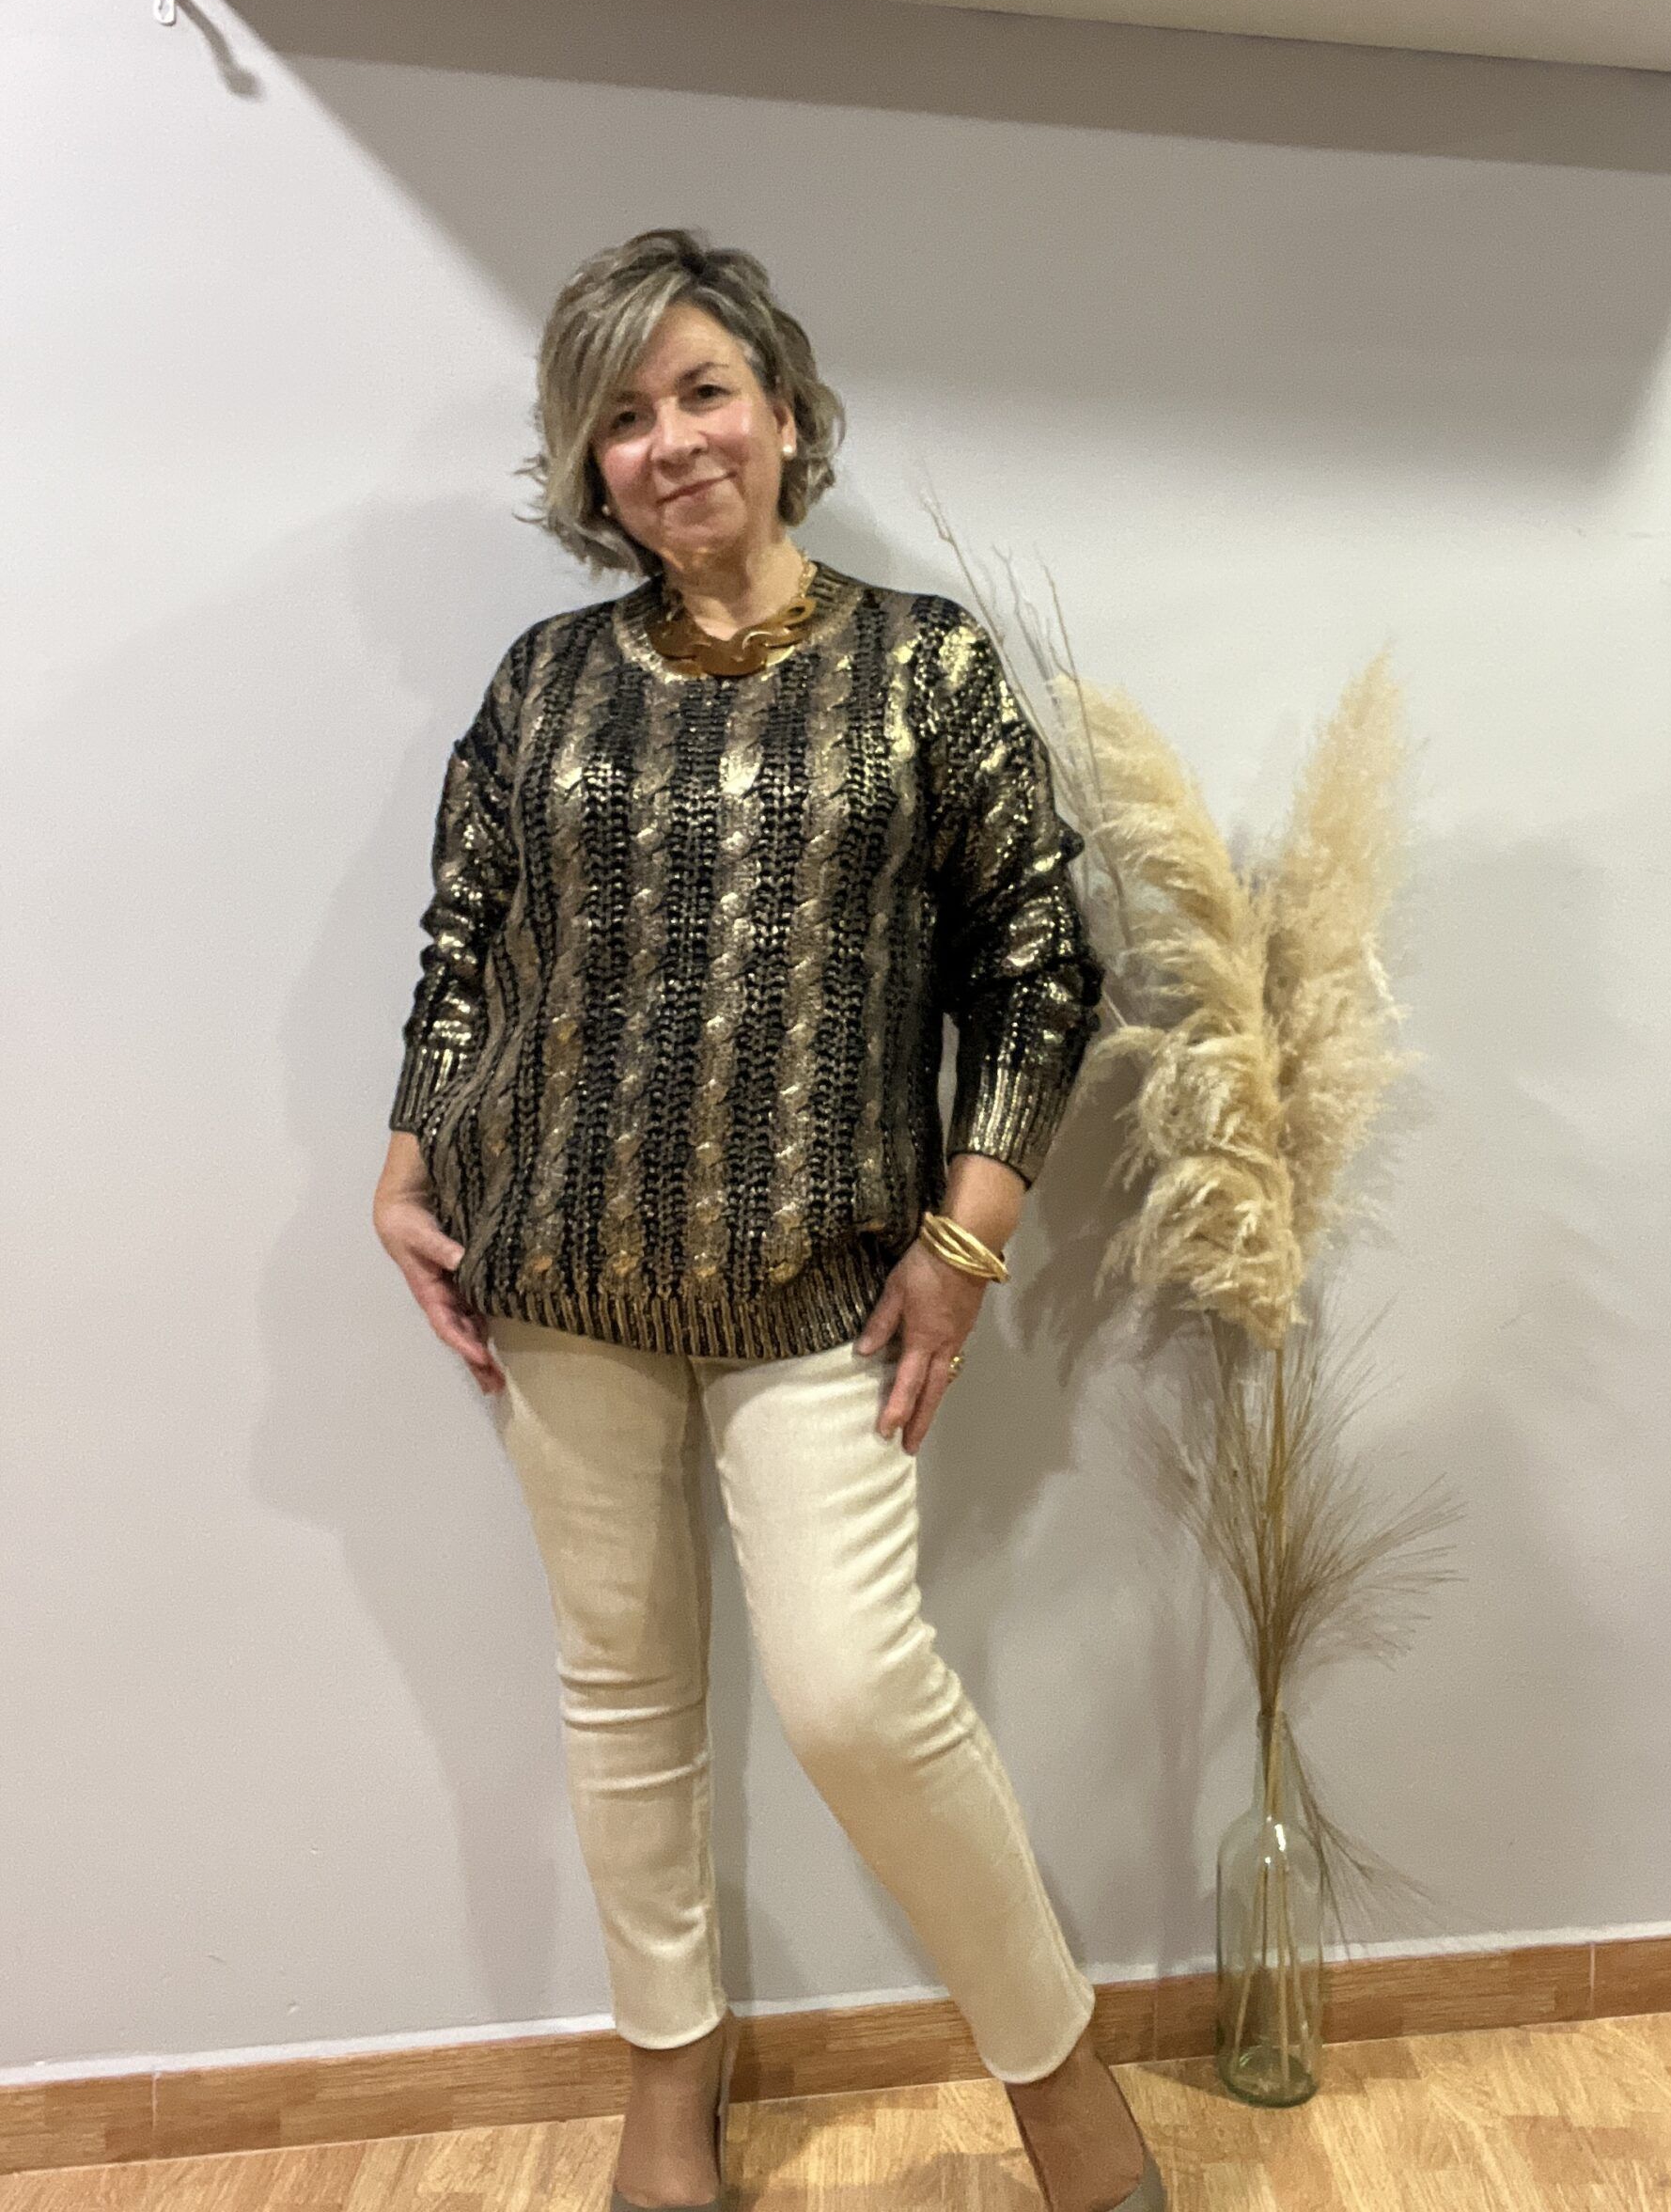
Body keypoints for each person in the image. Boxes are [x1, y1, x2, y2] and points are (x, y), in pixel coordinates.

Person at [371, 228, 1163, 2212]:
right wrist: (408, 1154)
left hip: (826, 1285)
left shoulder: (924, 666)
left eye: (704, 390)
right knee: (624, 1691)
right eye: (622, 415)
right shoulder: (546, 681)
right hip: (558, 1273)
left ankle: (1057, 2073)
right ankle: (669, 2085)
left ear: (787, 413)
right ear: (591, 464)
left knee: (854, 1691)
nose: (671, 440)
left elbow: (1038, 961)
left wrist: (966, 1241)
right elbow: (467, 936)